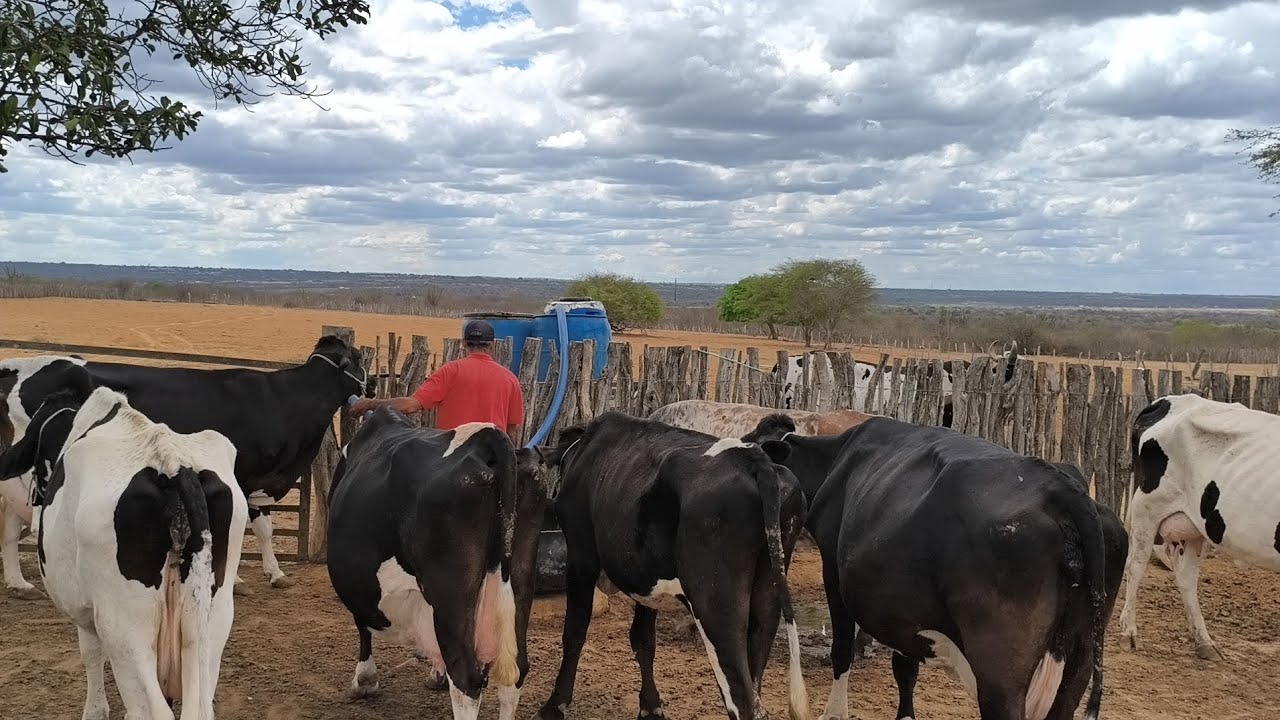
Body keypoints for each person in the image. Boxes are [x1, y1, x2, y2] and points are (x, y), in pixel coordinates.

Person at [348, 319, 525, 444]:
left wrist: (369, 404)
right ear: (492, 345)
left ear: (464, 343)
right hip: (492, 459)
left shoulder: (451, 371)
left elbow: (410, 406)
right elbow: (512, 431)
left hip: (454, 457)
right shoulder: (510, 379)